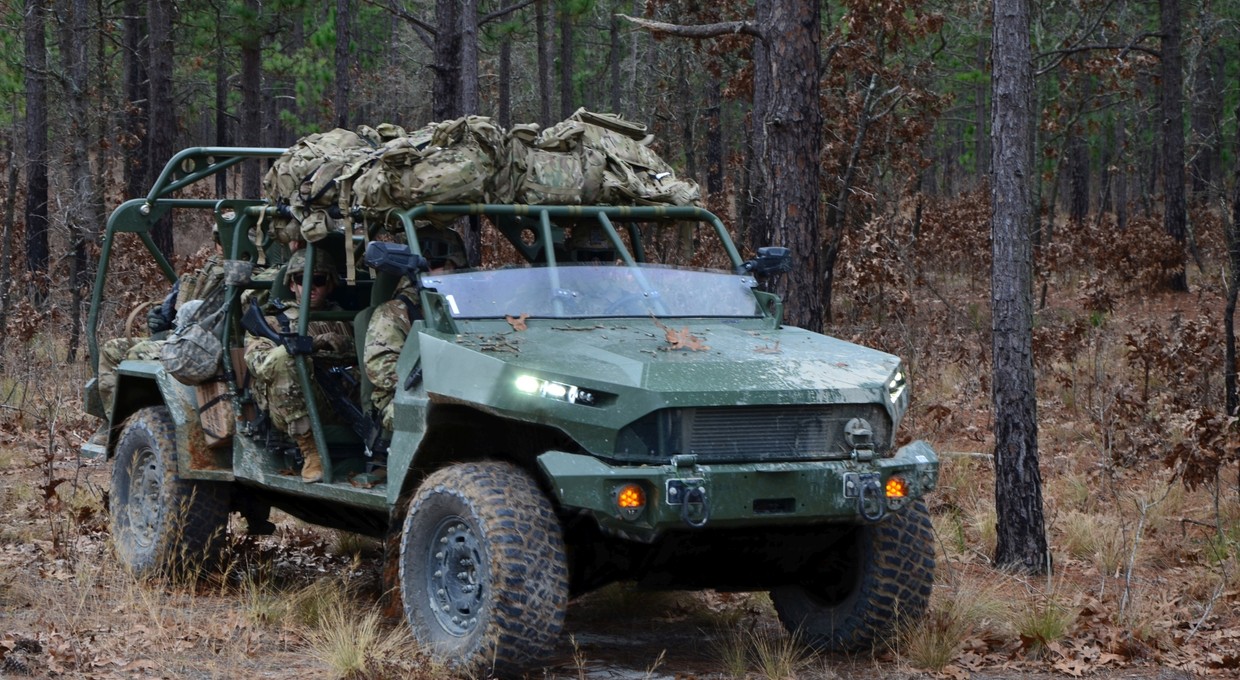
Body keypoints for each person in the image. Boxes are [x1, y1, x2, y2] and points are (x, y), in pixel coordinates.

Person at [245, 249, 353, 483]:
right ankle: (311, 451)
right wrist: (307, 346)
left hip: (340, 398)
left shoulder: (346, 319)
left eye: (318, 280)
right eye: (300, 280)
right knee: (284, 359)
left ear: (330, 284)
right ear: (292, 285)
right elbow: (259, 364)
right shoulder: (274, 321)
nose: (310, 287)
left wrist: (343, 345)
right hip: (293, 404)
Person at [364, 226, 467, 431]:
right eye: (430, 264)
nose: (439, 270)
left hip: (468, 392)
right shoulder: (394, 312)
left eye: (444, 264)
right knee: (441, 420)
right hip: (406, 397)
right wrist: (437, 381)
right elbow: (381, 368)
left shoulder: (471, 306)